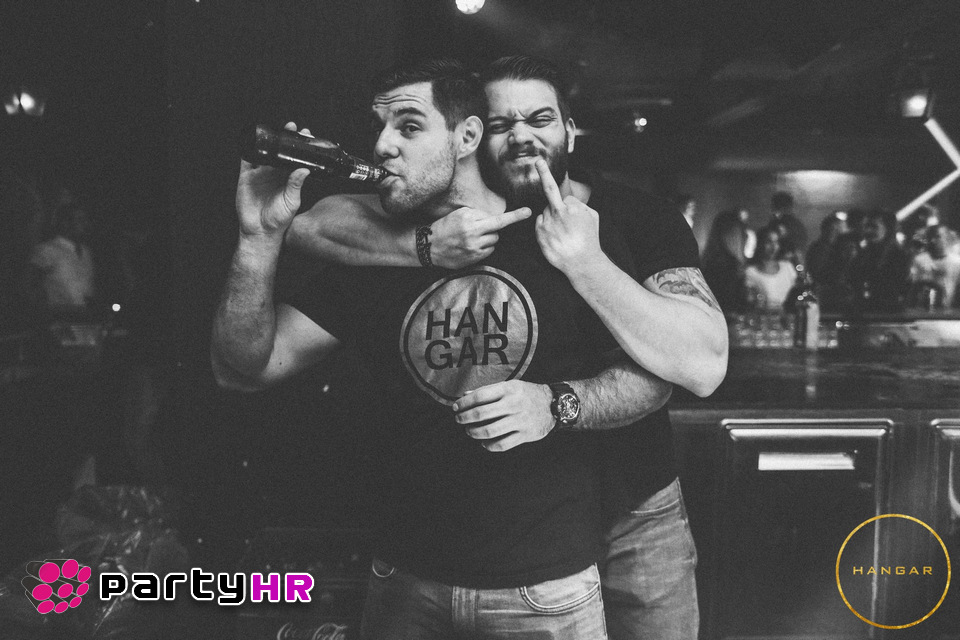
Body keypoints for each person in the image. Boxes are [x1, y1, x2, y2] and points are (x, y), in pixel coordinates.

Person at [213, 58, 680, 640]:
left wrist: (552, 403)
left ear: (467, 137)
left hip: (544, 588)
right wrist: (257, 239)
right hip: (405, 578)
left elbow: (652, 379)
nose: (382, 145)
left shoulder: (559, 235)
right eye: (379, 127)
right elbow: (245, 366)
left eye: (409, 126)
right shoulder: (376, 253)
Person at [28, 202, 96, 314]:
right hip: (59, 318)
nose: (85, 224)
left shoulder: (86, 252)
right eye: (80, 219)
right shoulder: (48, 249)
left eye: (86, 219)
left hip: (86, 318)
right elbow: (30, 284)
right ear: (65, 223)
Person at [847, 208, 910, 312]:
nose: (868, 231)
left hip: (888, 312)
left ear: (888, 229)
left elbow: (898, 287)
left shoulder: (898, 256)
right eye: (866, 226)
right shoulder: (862, 253)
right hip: (863, 311)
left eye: (874, 227)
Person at [702, 209, 750, 313]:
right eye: (742, 232)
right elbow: (731, 305)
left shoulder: (707, 262)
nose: (746, 236)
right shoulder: (729, 266)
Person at [744, 226, 797, 310]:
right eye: (769, 242)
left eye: (776, 242)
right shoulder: (751, 272)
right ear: (760, 243)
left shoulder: (788, 267)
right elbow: (751, 301)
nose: (773, 247)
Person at [908, 224, 960, 309]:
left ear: (946, 238)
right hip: (923, 309)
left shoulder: (957, 263)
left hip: (949, 310)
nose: (933, 241)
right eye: (930, 237)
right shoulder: (919, 260)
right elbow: (914, 286)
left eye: (937, 237)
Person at [806, 212, 849, 287]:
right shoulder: (818, 249)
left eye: (836, 230)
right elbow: (817, 273)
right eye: (832, 229)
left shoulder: (839, 248)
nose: (834, 232)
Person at [767, 191, 807, 263]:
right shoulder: (797, 224)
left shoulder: (777, 223)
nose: (771, 207)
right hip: (791, 260)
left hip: (782, 261)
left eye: (773, 204)